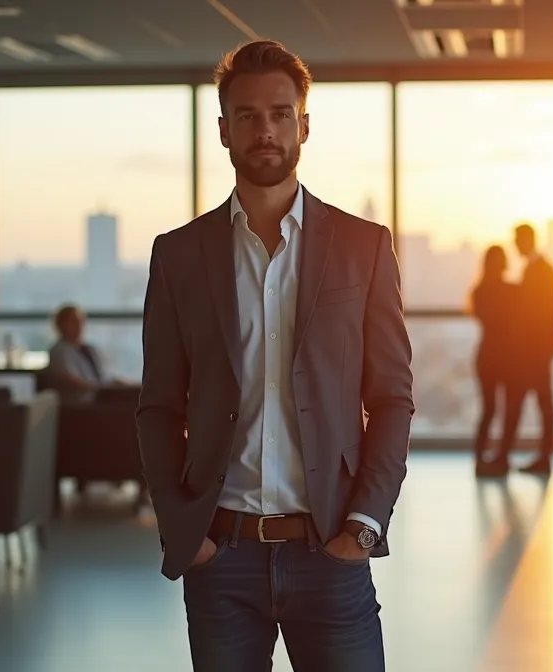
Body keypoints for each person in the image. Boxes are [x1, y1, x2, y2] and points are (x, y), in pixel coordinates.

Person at [136, 40, 414, 672]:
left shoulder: (362, 247)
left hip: (330, 553)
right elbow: (157, 408)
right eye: (248, 116)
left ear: (304, 126)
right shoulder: (178, 255)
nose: (265, 130)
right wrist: (186, 532)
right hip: (221, 558)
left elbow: (392, 397)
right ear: (224, 131)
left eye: (280, 114)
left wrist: (364, 526)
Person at [499, 223, 553, 474]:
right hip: (538, 349)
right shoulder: (541, 269)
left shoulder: (539, 271)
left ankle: (509, 455)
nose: (514, 246)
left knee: (526, 402)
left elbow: (536, 314)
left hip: (534, 351)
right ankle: (538, 456)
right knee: (538, 402)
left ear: (527, 240)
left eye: (517, 240)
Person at [469, 245, 518, 477]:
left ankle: (480, 459)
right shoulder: (512, 291)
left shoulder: (479, 291)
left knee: (489, 409)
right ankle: (502, 457)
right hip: (508, 357)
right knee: (507, 409)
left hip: (487, 356)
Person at [46, 304, 114, 404]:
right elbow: (70, 380)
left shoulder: (90, 349)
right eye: (73, 321)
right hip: (81, 403)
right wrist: (100, 388)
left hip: (100, 396)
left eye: (80, 321)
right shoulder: (59, 351)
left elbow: (103, 376)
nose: (78, 325)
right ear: (60, 325)